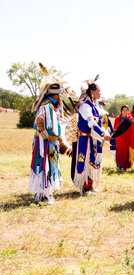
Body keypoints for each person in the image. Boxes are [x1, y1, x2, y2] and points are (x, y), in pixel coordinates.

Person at [29, 72, 72, 204]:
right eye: (60, 95)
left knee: (50, 167)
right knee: (44, 167)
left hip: (50, 143)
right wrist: (44, 136)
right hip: (44, 144)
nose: (61, 98)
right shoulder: (46, 106)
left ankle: (46, 194)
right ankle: (42, 195)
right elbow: (39, 121)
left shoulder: (52, 107)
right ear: (56, 95)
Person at [73, 79, 113, 195]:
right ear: (92, 92)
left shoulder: (95, 105)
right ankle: (83, 187)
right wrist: (102, 134)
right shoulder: (85, 106)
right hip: (85, 138)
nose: (101, 93)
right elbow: (91, 123)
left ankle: (89, 185)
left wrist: (107, 131)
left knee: (92, 160)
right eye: (99, 91)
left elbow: (102, 119)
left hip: (92, 138)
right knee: (84, 160)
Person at [114, 105, 132, 171]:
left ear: (128, 111)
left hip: (127, 138)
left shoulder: (130, 118)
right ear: (121, 111)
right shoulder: (117, 118)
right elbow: (115, 128)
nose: (125, 111)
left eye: (126, 110)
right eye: (123, 110)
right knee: (119, 152)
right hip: (119, 137)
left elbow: (132, 128)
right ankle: (119, 166)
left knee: (126, 152)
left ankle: (125, 166)